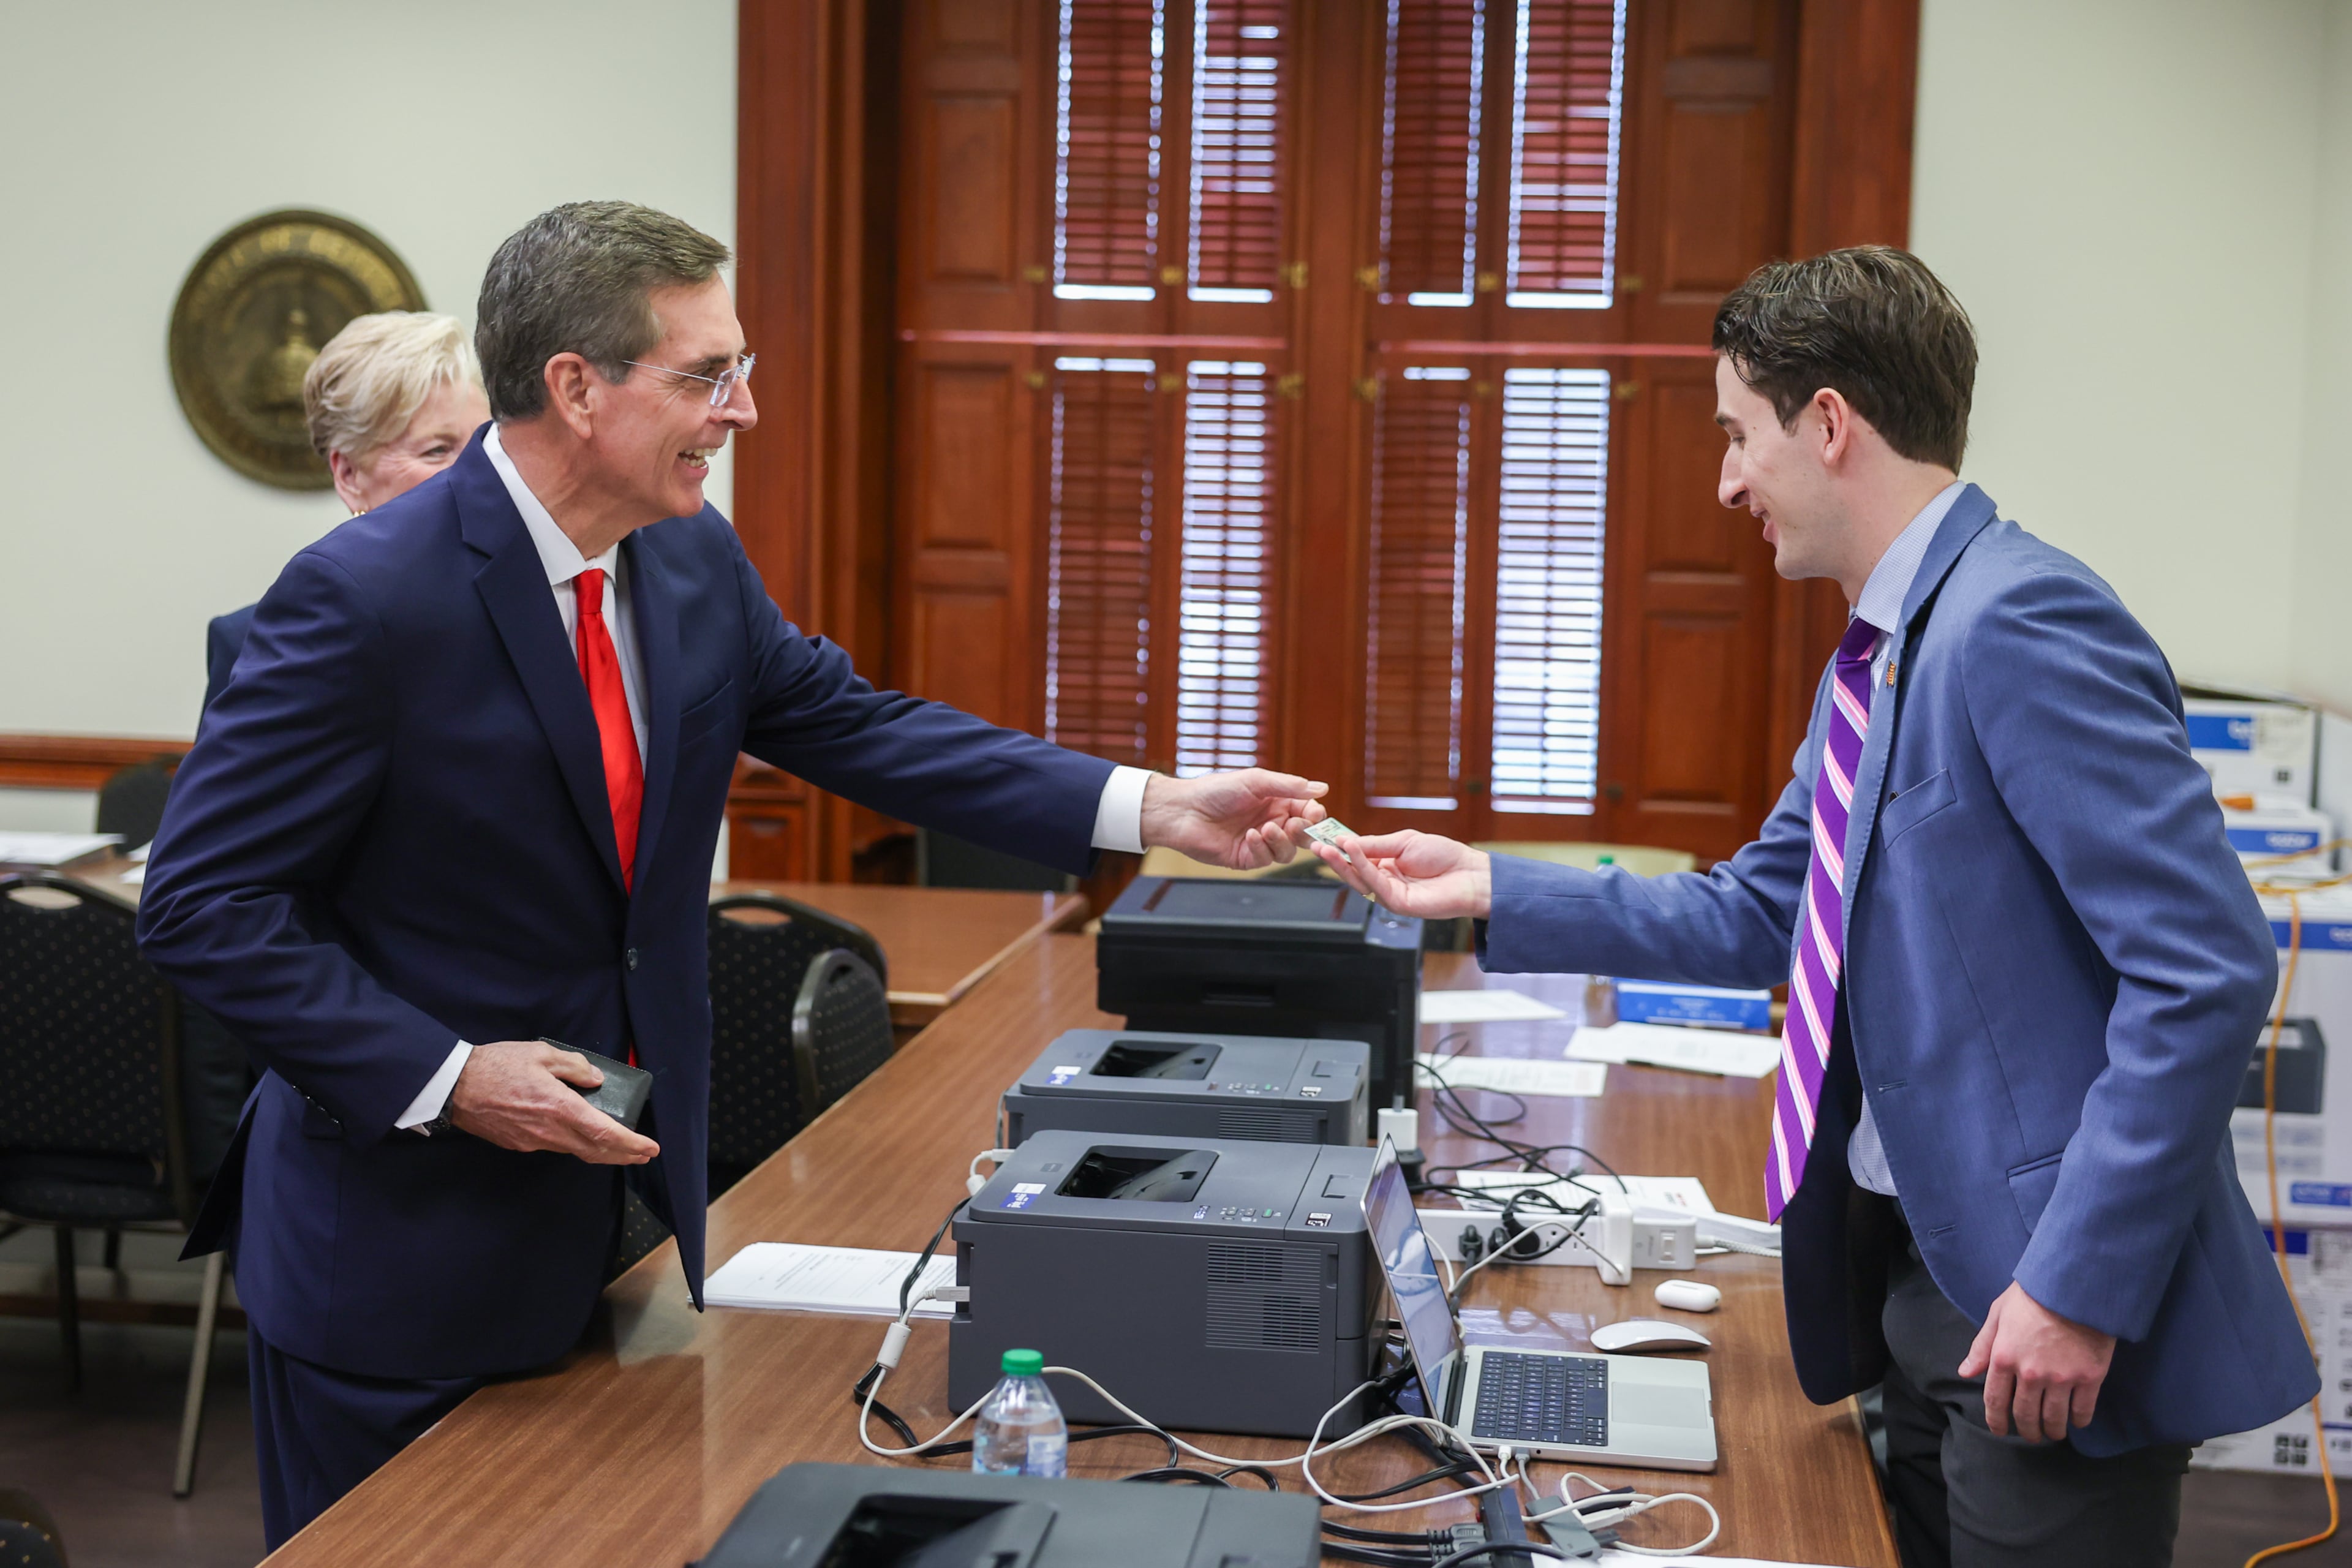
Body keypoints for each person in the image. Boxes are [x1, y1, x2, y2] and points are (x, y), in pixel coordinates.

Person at [137, 200, 1328, 1546]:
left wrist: (1154, 803)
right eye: (708, 375)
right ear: (576, 390)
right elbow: (201, 905)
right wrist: (452, 1074)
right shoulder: (359, 598)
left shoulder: (684, 553)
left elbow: (857, 722)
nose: (745, 409)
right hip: (401, 1247)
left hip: (615, 1207)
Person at [1312, 248, 2316, 1567]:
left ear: (1829, 422)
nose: (1728, 478)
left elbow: (2206, 968)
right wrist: (1489, 884)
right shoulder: (1891, 647)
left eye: (1739, 433)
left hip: (2040, 1305)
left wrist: (2075, 1283)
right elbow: (1758, 911)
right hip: (1919, 1280)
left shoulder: (2017, 621)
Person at [202, 311, 491, 713]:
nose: (477, 471)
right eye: (437, 451)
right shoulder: (259, 645)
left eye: (483, 446)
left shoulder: (538, 612)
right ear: (350, 474)